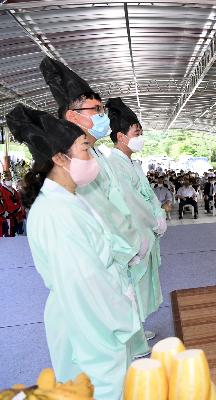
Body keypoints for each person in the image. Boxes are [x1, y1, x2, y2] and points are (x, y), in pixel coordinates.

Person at [6, 105, 144, 399]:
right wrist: (123, 316)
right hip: (90, 320)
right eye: (84, 149)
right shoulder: (57, 214)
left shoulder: (69, 200)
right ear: (59, 158)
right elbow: (85, 283)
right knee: (101, 387)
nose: (90, 157)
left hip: (96, 311)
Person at [40, 57, 154, 349]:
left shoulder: (95, 153)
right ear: (74, 115)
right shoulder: (72, 163)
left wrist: (133, 242)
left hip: (115, 263)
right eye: (96, 109)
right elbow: (96, 218)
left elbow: (116, 208)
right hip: (96, 274)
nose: (103, 115)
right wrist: (126, 249)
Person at [106, 98, 166, 327]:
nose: (140, 138)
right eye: (136, 132)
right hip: (132, 233)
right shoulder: (115, 164)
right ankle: (133, 335)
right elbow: (131, 202)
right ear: (121, 136)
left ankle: (138, 328)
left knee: (141, 286)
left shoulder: (131, 163)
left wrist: (159, 214)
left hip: (145, 229)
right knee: (131, 284)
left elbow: (148, 195)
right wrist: (153, 220)